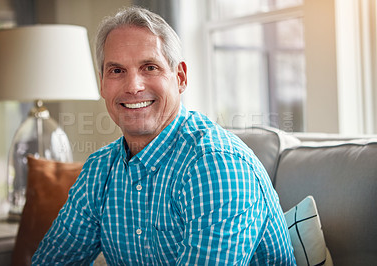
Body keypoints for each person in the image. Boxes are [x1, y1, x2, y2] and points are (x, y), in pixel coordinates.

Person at [32, 6, 296, 265]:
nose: (133, 86)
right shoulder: (100, 170)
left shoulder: (216, 165)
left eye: (150, 67)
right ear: (102, 82)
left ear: (180, 77)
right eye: (117, 71)